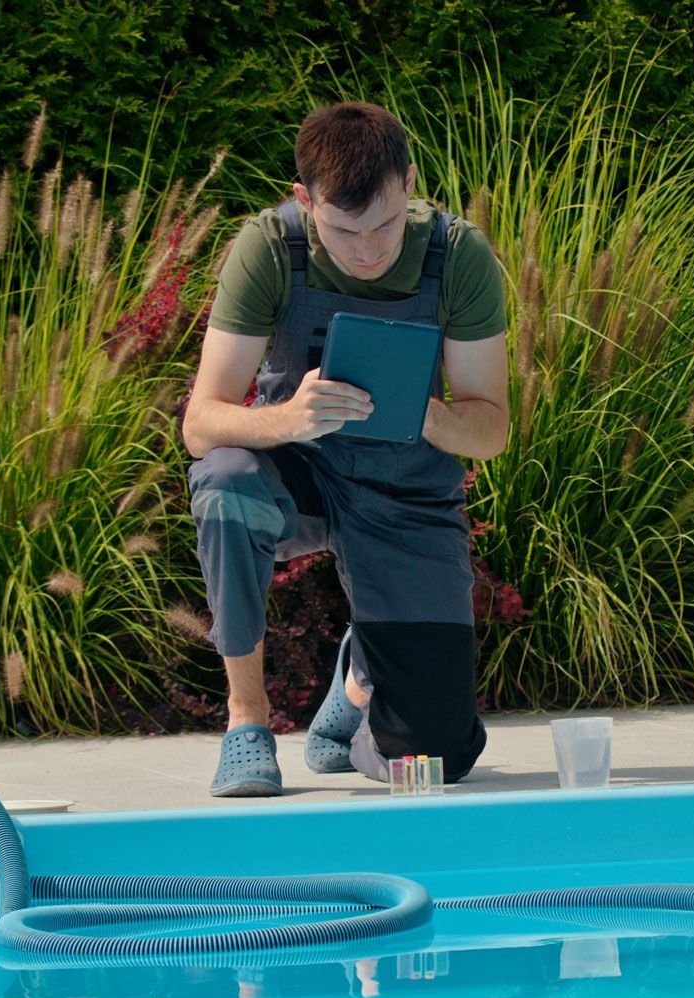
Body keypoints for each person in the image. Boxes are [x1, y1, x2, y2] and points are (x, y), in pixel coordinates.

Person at [182, 101, 511, 796]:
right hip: (299, 471)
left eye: (387, 224)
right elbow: (201, 422)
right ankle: (248, 721)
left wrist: (424, 413)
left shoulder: (460, 255)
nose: (368, 249)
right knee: (225, 481)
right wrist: (288, 421)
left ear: (411, 182)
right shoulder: (269, 246)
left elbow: (493, 428)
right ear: (305, 200)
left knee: (434, 760)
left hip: (408, 491)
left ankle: (362, 681)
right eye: (343, 230)